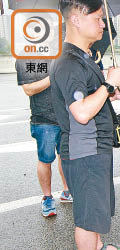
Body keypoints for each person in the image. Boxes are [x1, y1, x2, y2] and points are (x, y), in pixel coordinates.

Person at [51, 0, 120, 249]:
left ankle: (99, 247)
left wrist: (113, 92)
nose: (103, 24)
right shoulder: (69, 62)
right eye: (97, 18)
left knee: (95, 213)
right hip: (84, 152)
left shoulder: (83, 57)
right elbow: (82, 113)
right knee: (86, 219)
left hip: (94, 148)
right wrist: (108, 85)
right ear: (76, 20)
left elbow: (88, 98)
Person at [16, 59, 72, 217]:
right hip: (43, 119)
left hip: (66, 117)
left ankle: (67, 192)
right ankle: (47, 198)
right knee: (45, 160)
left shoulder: (63, 54)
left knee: (66, 157)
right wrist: (53, 76)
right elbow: (29, 89)